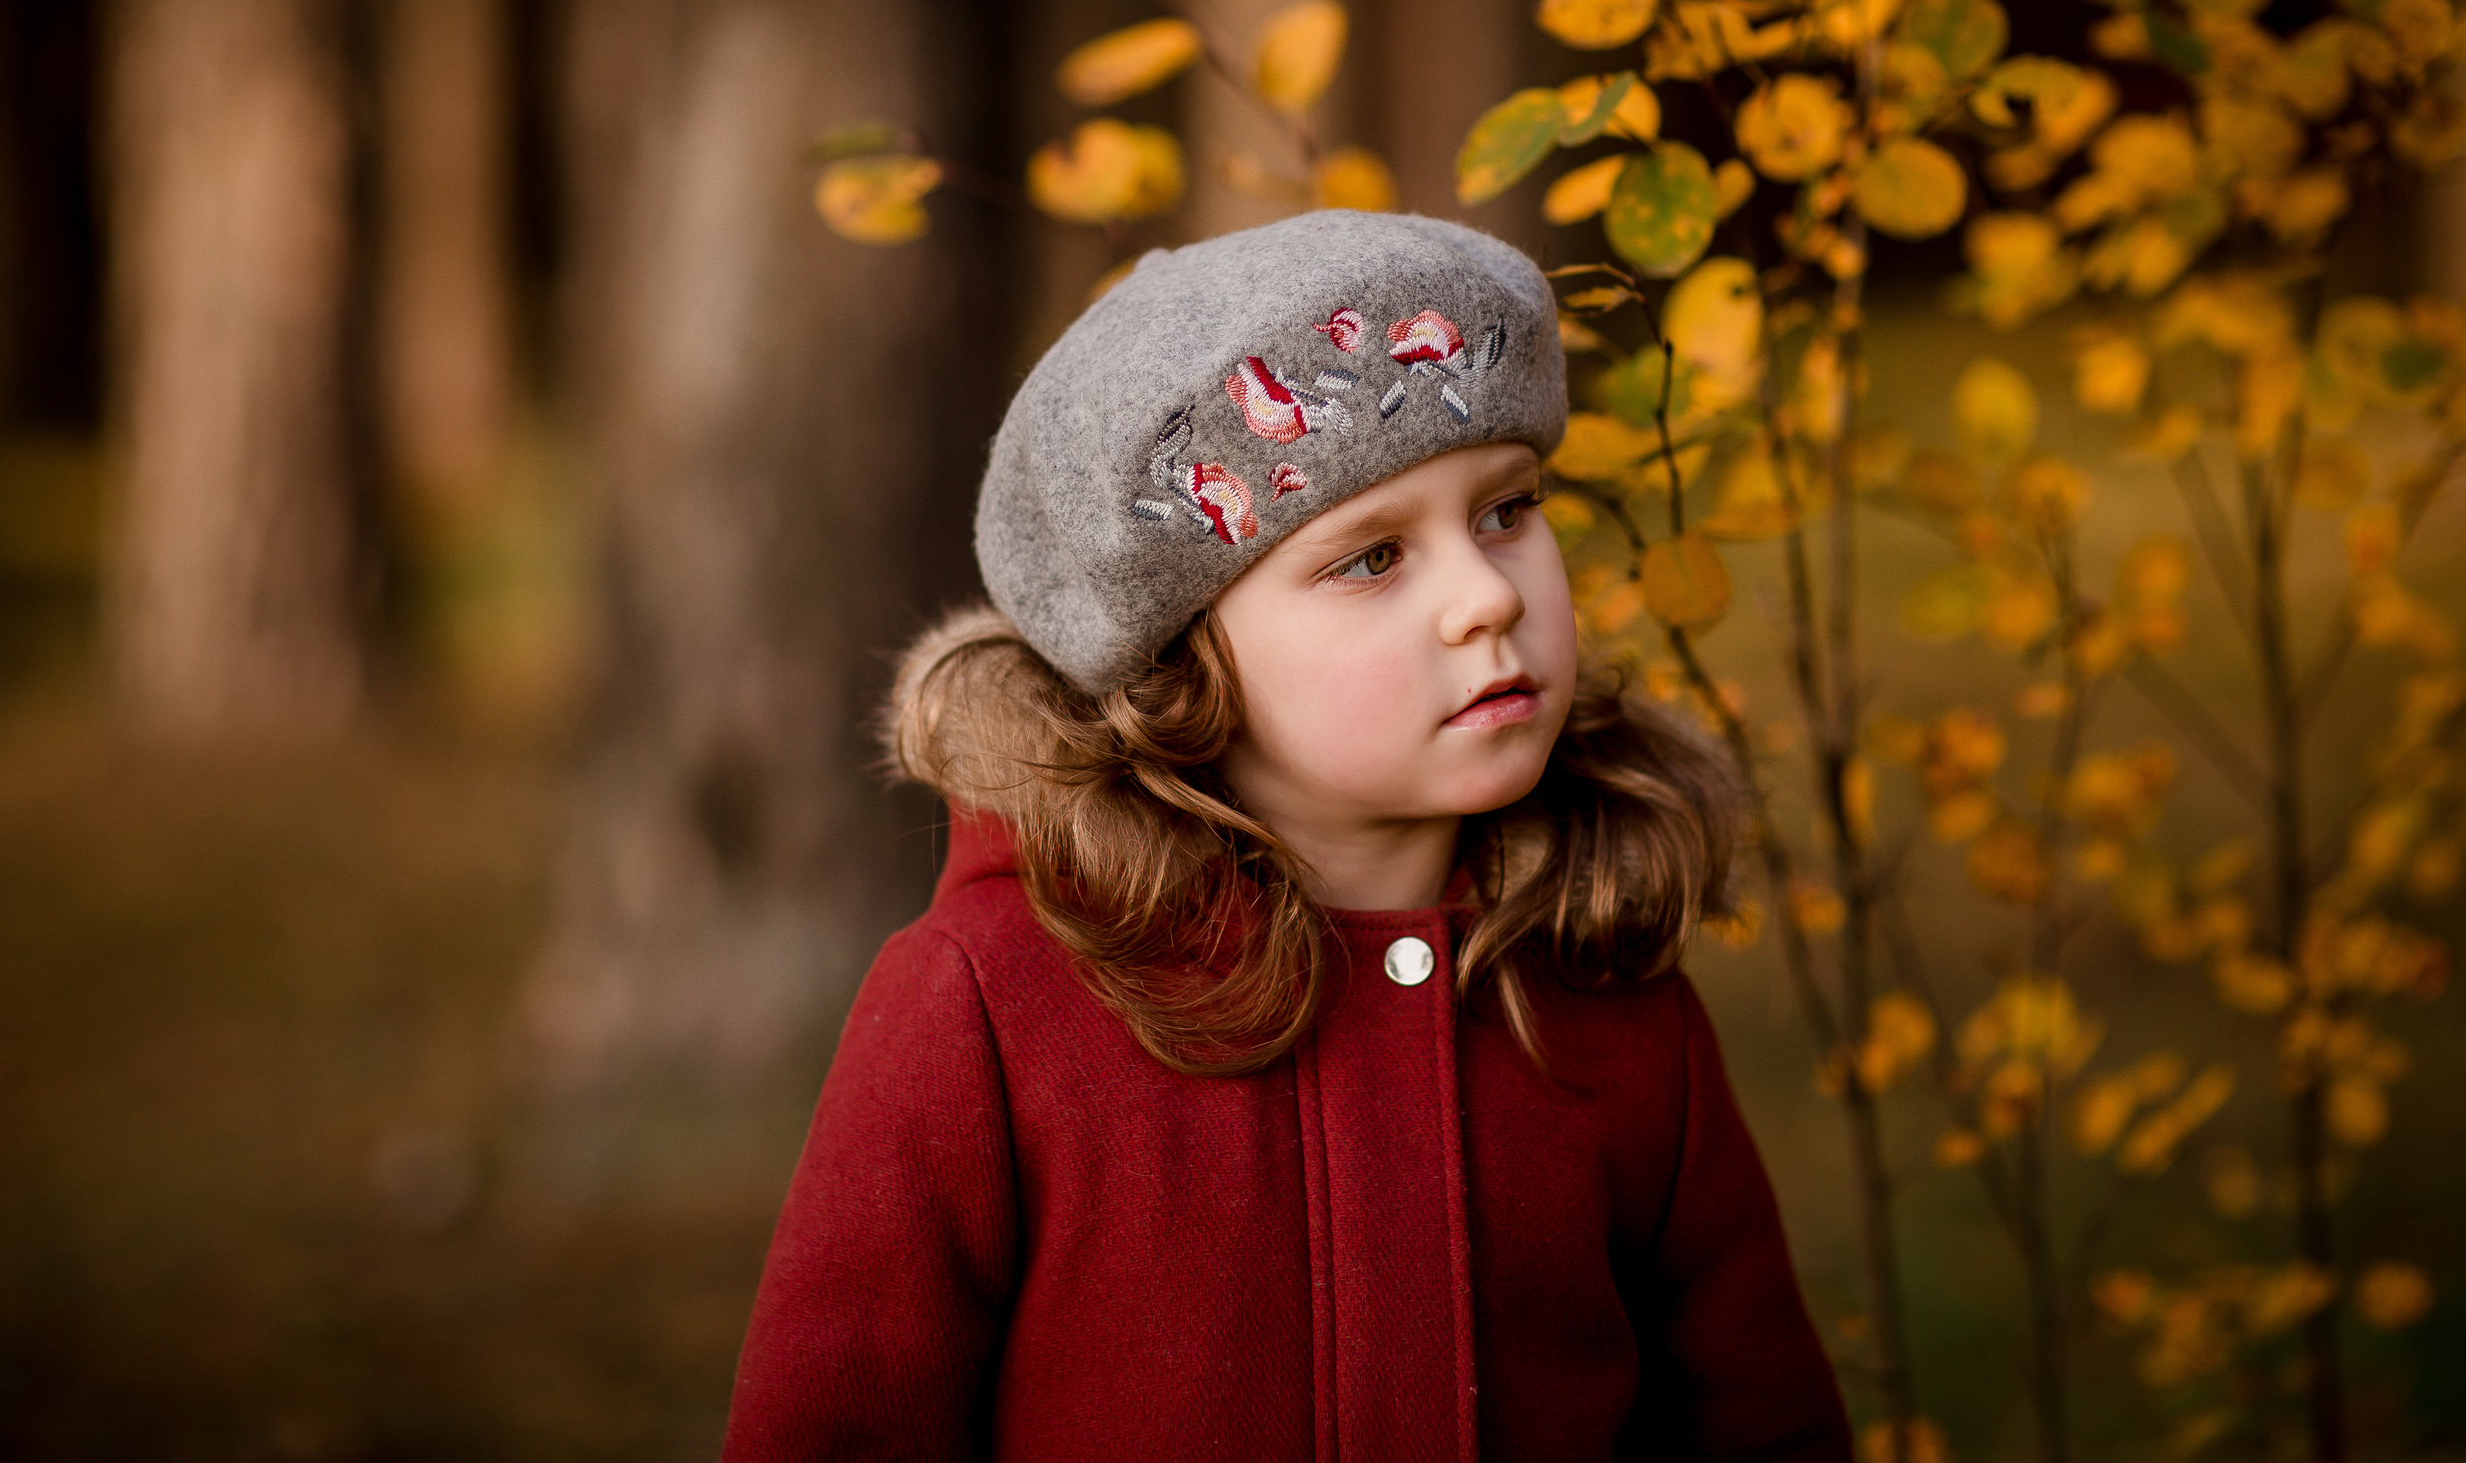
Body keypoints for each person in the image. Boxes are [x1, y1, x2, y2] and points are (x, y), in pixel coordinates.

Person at [720, 211, 1851, 1462]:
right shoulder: (989, 1011)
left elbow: (1764, 1427)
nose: (1486, 597)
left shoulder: (1606, 992)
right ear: (1183, 665)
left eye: (1506, 510)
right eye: (1371, 559)